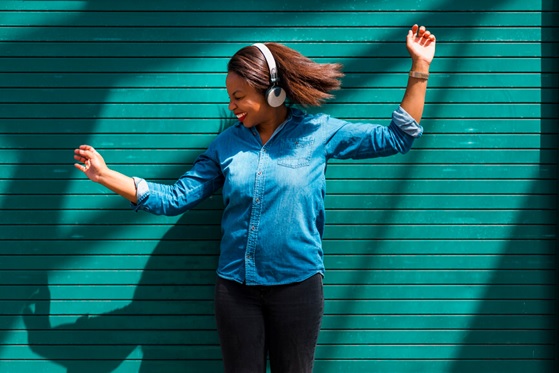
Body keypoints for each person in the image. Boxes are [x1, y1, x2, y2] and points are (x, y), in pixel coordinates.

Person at [74, 24, 436, 373]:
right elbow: (174, 198)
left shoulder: (318, 132)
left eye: (238, 97)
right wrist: (105, 175)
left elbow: (396, 138)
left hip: (297, 288)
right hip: (236, 292)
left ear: (272, 91)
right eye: (229, 98)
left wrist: (419, 67)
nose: (232, 106)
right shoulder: (226, 146)